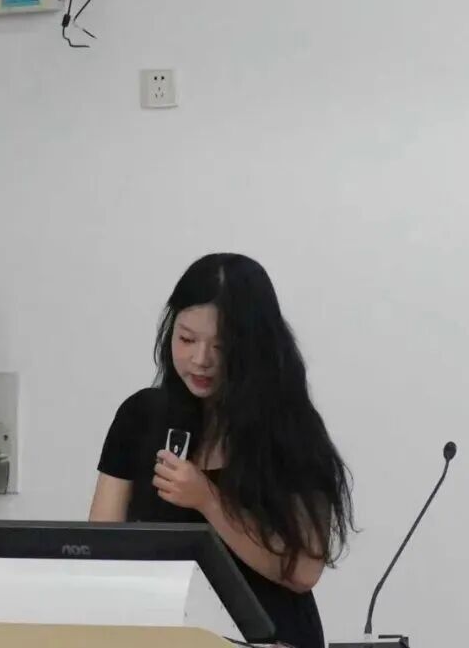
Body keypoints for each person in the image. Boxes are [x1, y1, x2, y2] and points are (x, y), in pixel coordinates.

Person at [89, 253, 355, 648]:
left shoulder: (290, 431)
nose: (201, 360)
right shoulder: (140, 416)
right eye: (186, 339)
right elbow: (100, 547)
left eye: (221, 346)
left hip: (271, 637)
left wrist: (209, 500)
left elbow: (302, 571)